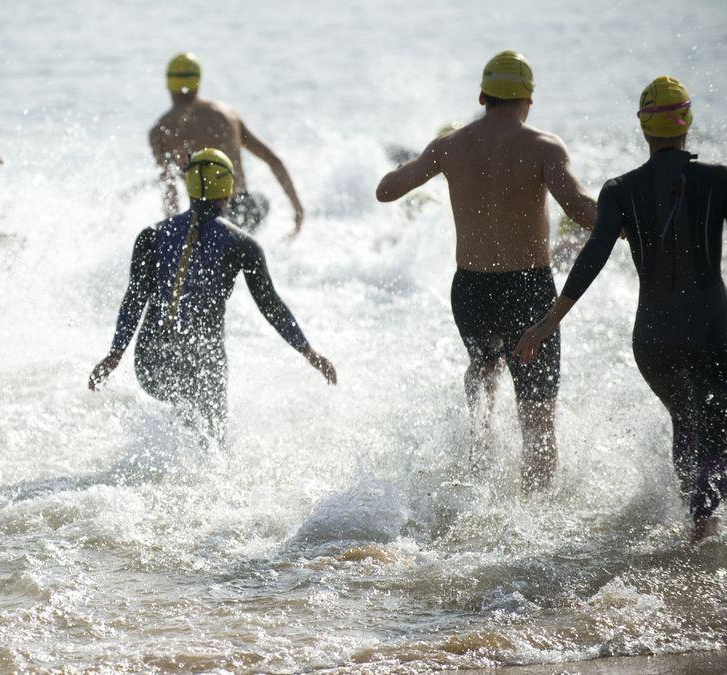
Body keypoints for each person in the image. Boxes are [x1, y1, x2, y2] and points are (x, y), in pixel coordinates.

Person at [515, 77, 727, 542]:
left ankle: (697, 520)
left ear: (642, 127)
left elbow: (593, 256)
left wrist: (549, 321)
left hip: (652, 340)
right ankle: (703, 523)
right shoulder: (718, 180)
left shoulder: (619, 190)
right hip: (711, 330)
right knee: (714, 419)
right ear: (687, 120)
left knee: (687, 419)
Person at [375, 51, 597, 492]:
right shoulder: (544, 147)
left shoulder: (449, 145)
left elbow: (386, 191)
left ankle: (477, 459)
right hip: (527, 289)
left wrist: (420, 165)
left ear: (482, 96)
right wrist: (628, 217)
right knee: (537, 419)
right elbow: (580, 210)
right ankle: (533, 515)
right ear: (528, 100)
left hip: (471, 290)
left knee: (484, 366)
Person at [89, 148, 336, 442]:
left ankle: (169, 449)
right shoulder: (242, 244)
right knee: (211, 441)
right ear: (228, 191)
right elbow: (269, 305)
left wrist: (115, 354)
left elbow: (134, 299)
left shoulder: (151, 235)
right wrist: (309, 352)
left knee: (182, 416)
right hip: (204, 363)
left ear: (189, 186)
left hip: (150, 364)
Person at [149, 53, 305, 237]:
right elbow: (273, 159)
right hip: (241, 209)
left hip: (200, 216)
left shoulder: (160, 130)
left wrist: (174, 232)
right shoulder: (227, 115)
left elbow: (169, 187)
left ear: (168, 83)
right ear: (198, 80)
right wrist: (297, 209)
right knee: (260, 203)